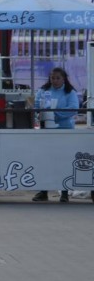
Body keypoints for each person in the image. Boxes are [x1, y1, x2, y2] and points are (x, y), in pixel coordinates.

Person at [32, 67, 80, 203]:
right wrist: (40, 114)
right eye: (52, 78)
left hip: (65, 131)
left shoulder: (70, 92)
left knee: (63, 162)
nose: (55, 80)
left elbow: (73, 109)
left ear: (64, 79)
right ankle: (43, 191)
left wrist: (54, 114)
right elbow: (36, 107)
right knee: (44, 161)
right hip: (46, 130)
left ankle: (64, 193)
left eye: (58, 78)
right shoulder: (43, 90)